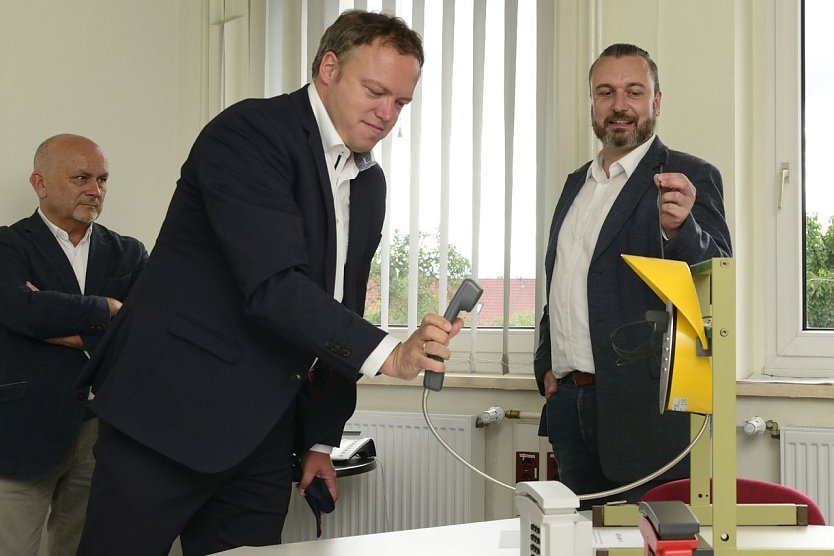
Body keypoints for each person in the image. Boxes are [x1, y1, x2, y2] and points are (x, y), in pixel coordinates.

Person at [75, 10, 462, 556]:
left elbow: (337, 307)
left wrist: (319, 438)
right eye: (375, 91)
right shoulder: (248, 134)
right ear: (328, 67)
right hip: (167, 414)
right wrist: (392, 355)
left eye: (401, 103)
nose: (387, 113)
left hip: (264, 435)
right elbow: (274, 287)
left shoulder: (368, 182)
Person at [534, 43, 732, 508]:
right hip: (570, 406)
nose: (619, 105)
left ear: (656, 102)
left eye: (633, 91)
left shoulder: (689, 175)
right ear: (593, 103)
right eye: (606, 92)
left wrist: (682, 229)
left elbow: (718, 281)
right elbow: (566, 281)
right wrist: (545, 361)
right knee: (577, 542)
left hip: (647, 417)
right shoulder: (575, 184)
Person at [0, 134, 148, 556]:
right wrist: (108, 307)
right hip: (22, 432)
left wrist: (53, 319)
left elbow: (146, 329)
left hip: (101, 430)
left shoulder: (128, 253)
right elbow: (19, 312)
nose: (95, 190)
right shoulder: (7, 245)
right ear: (39, 183)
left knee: (82, 548)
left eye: (102, 179)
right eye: (81, 177)